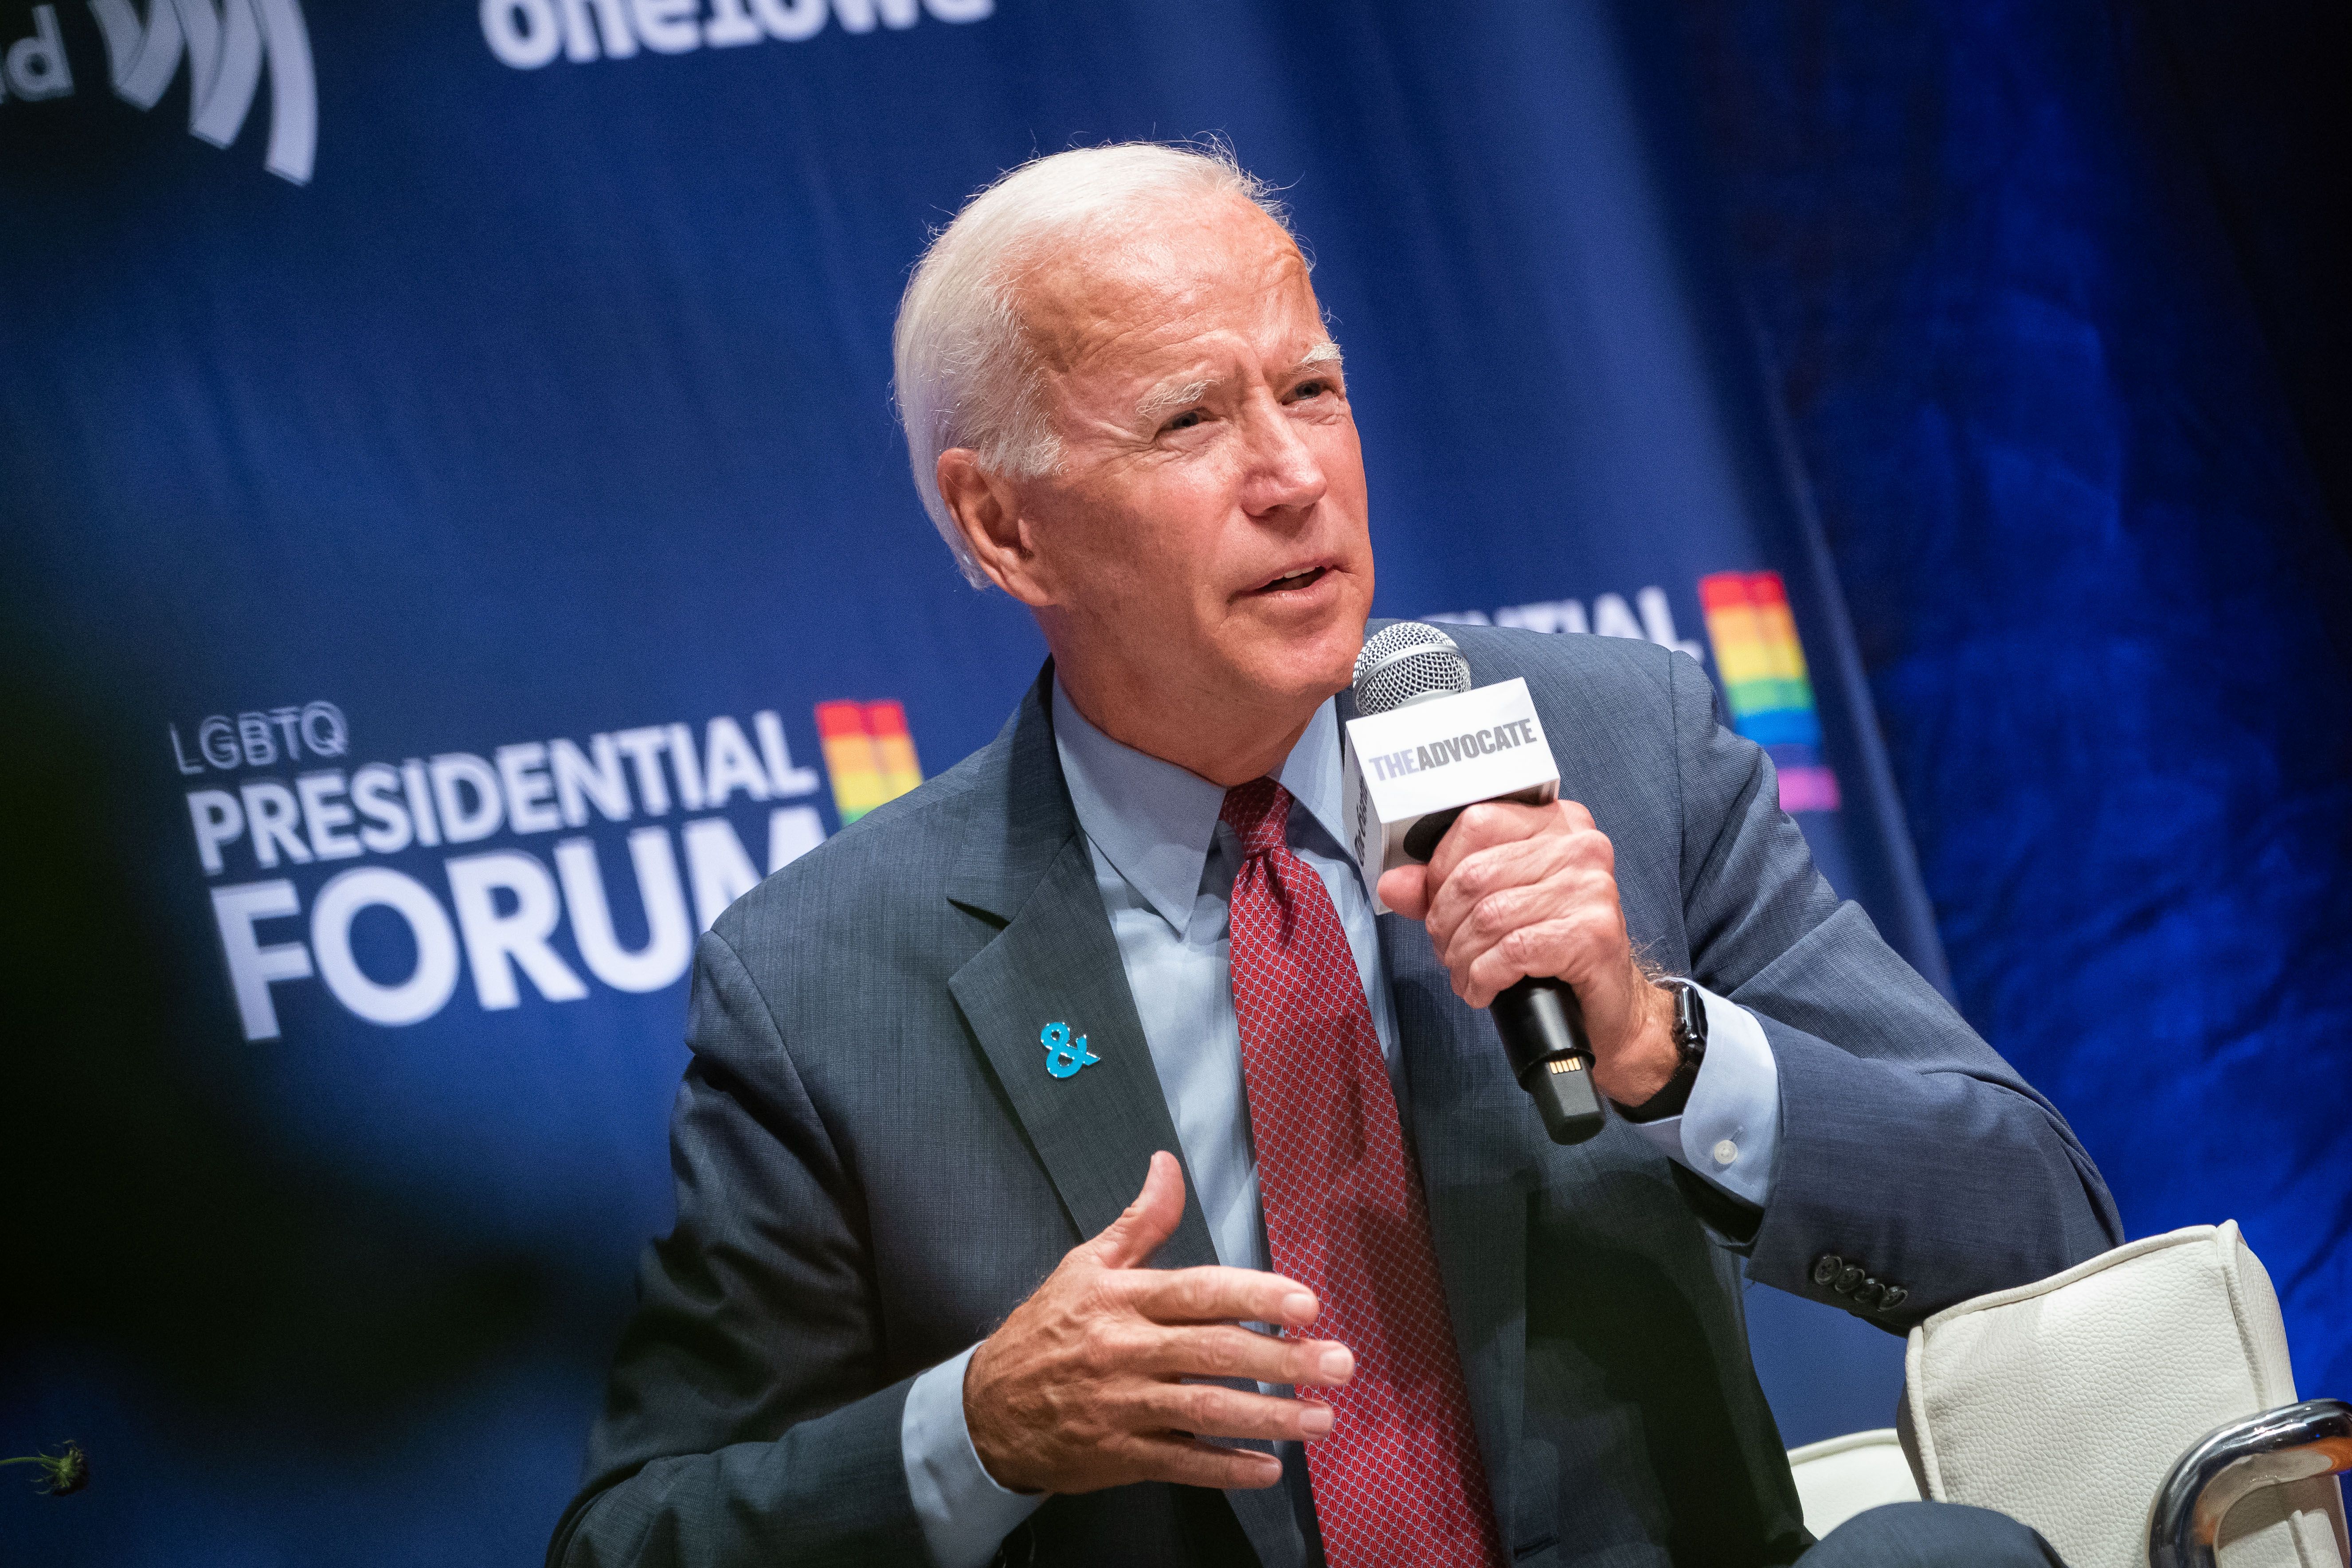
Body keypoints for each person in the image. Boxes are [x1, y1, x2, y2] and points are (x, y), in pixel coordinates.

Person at [548, 143, 2120, 1568]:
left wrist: (1659, 1042)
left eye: (1310, 389)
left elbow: (2037, 1224)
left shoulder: (1615, 745)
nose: (1293, 474)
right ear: (1003, 527)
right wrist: (984, 1426)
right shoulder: (828, 976)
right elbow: (637, 1537)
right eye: (1188, 418)